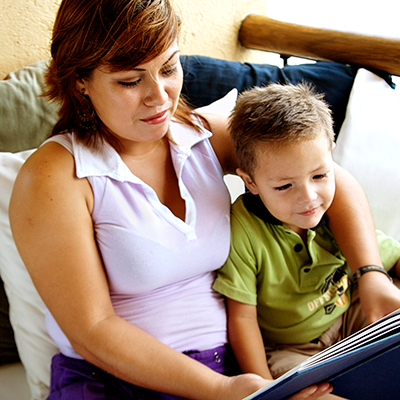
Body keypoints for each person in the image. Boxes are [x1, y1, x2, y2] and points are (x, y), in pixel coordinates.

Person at [7, 0, 398, 399]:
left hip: (227, 369)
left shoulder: (203, 135)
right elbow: (92, 330)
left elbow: (329, 177)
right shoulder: (56, 176)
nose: (159, 97)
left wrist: (371, 274)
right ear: (80, 81)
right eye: (130, 81)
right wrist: (224, 390)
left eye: (169, 68)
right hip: (113, 382)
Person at [213, 83, 400, 394]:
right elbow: (242, 319)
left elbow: (389, 259)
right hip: (292, 347)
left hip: (352, 313)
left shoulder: (337, 213)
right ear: (250, 182)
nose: (309, 198)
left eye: (319, 176)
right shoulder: (242, 231)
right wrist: (266, 388)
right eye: (285, 186)